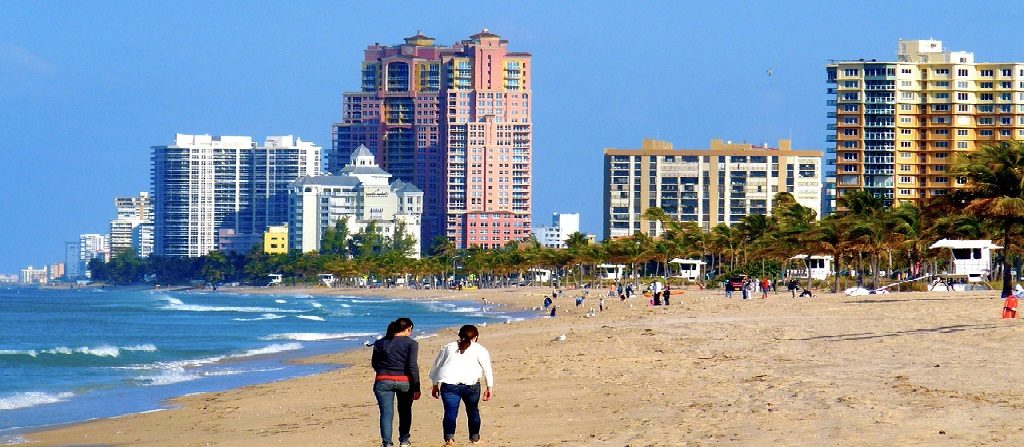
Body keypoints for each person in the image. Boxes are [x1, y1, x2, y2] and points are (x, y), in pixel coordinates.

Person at [429, 325, 494, 446]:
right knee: (473, 411)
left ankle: (449, 439)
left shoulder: (448, 347)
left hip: (449, 385)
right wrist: (489, 387)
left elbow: (436, 366)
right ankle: (475, 438)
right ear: (475, 337)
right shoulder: (480, 349)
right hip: (471, 385)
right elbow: (487, 369)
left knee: (450, 412)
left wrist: (434, 385)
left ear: (460, 336)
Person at [371, 318, 421, 447]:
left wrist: (384, 373)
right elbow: (412, 366)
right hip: (405, 382)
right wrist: (416, 386)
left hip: (383, 381)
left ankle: (387, 443)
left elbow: (375, 364)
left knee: (386, 413)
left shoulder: (379, 343)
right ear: (408, 328)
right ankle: (404, 440)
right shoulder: (412, 343)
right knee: (405, 411)